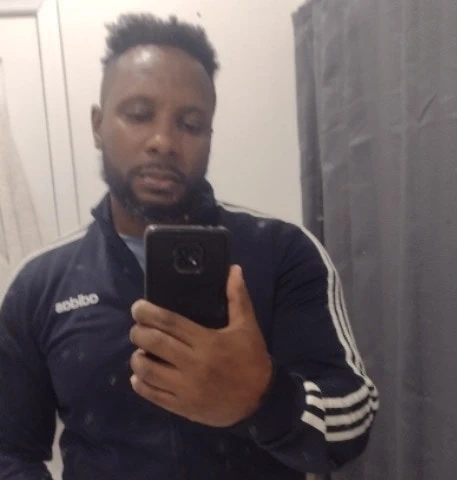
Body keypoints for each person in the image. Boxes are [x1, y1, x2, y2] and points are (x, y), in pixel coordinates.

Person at [0, 14, 378, 480]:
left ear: (210, 136)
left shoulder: (282, 252)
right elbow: (9, 450)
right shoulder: (40, 283)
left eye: (191, 123)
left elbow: (355, 418)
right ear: (98, 125)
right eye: (138, 115)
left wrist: (263, 398)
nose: (163, 142)